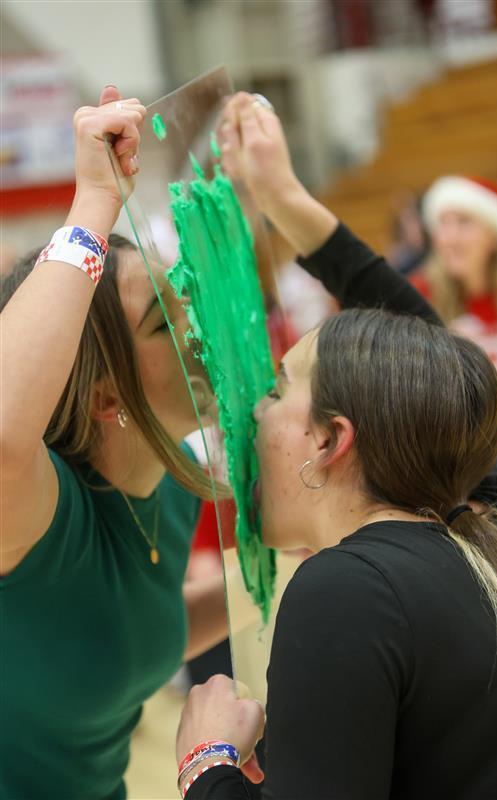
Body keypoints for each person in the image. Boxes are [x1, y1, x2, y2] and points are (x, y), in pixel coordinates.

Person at [174, 93, 497, 800]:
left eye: (277, 389)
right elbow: (437, 372)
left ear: (332, 438)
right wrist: (283, 197)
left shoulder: (346, 590)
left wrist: (205, 763)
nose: (253, 412)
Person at [0, 87, 232, 800]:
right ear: (106, 397)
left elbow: (131, 637)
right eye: (165, 320)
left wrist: (291, 567)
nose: (197, 325)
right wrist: (94, 203)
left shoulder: (174, 478)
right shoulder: (37, 516)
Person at [410, 175, 497, 459]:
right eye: (442, 223)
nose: (449, 238)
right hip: (461, 462)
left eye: (464, 222)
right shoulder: (417, 296)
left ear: (495, 236)